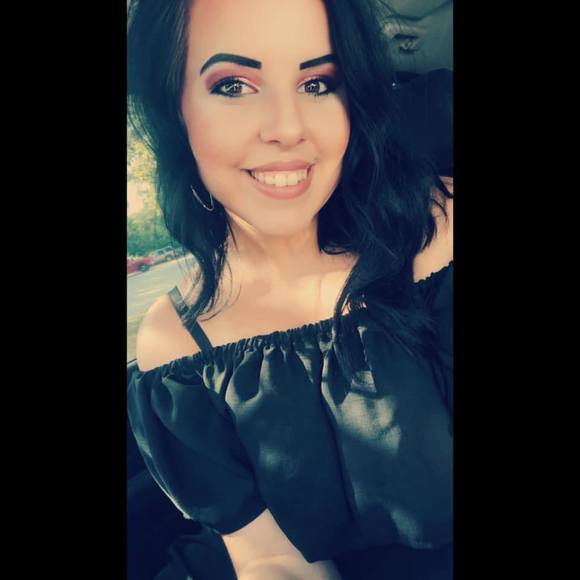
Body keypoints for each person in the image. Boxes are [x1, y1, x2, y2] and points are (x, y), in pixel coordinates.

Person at [127, 0, 453, 579]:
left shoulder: (439, 231)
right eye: (233, 86)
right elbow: (272, 558)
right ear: (173, 107)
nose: (287, 127)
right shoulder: (176, 346)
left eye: (317, 83)